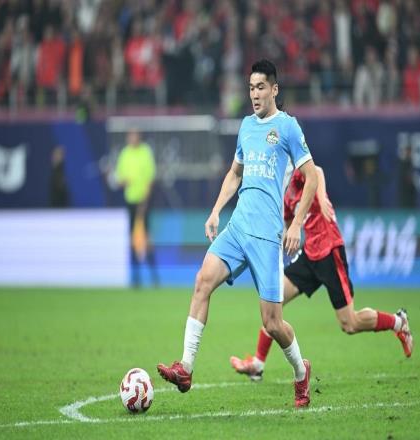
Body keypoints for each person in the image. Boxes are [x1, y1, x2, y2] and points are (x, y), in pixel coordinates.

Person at [157, 59, 318, 408]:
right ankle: (185, 368)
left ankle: (300, 371)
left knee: (272, 323)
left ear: (274, 89)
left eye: (261, 87)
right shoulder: (246, 126)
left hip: (267, 236)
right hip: (238, 226)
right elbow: (234, 173)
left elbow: (312, 177)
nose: (254, 94)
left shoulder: (288, 128)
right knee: (202, 281)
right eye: (251, 88)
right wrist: (216, 210)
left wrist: (296, 224)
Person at [230, 166, 414, 382]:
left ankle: (398, 322)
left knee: (349, 324)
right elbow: (288, 222)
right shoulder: (285, 194)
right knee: (273, 302)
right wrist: (283, 236)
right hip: (310, 254)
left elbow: (316, 172)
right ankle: (257, 365)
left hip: (330, 251)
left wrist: (321, 195)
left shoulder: (297, 173)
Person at [115, 129, 159, 287]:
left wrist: (145, 201)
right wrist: (122, 181)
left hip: (143, 200)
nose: (132, 138)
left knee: (146, 237)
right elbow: (119, 178)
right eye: (130, 136)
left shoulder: (145, 152)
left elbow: (150, 178)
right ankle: (136, 278)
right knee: (132, 238)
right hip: (130, 201)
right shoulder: (124, 153)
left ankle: (154, 276)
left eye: (135, 135)